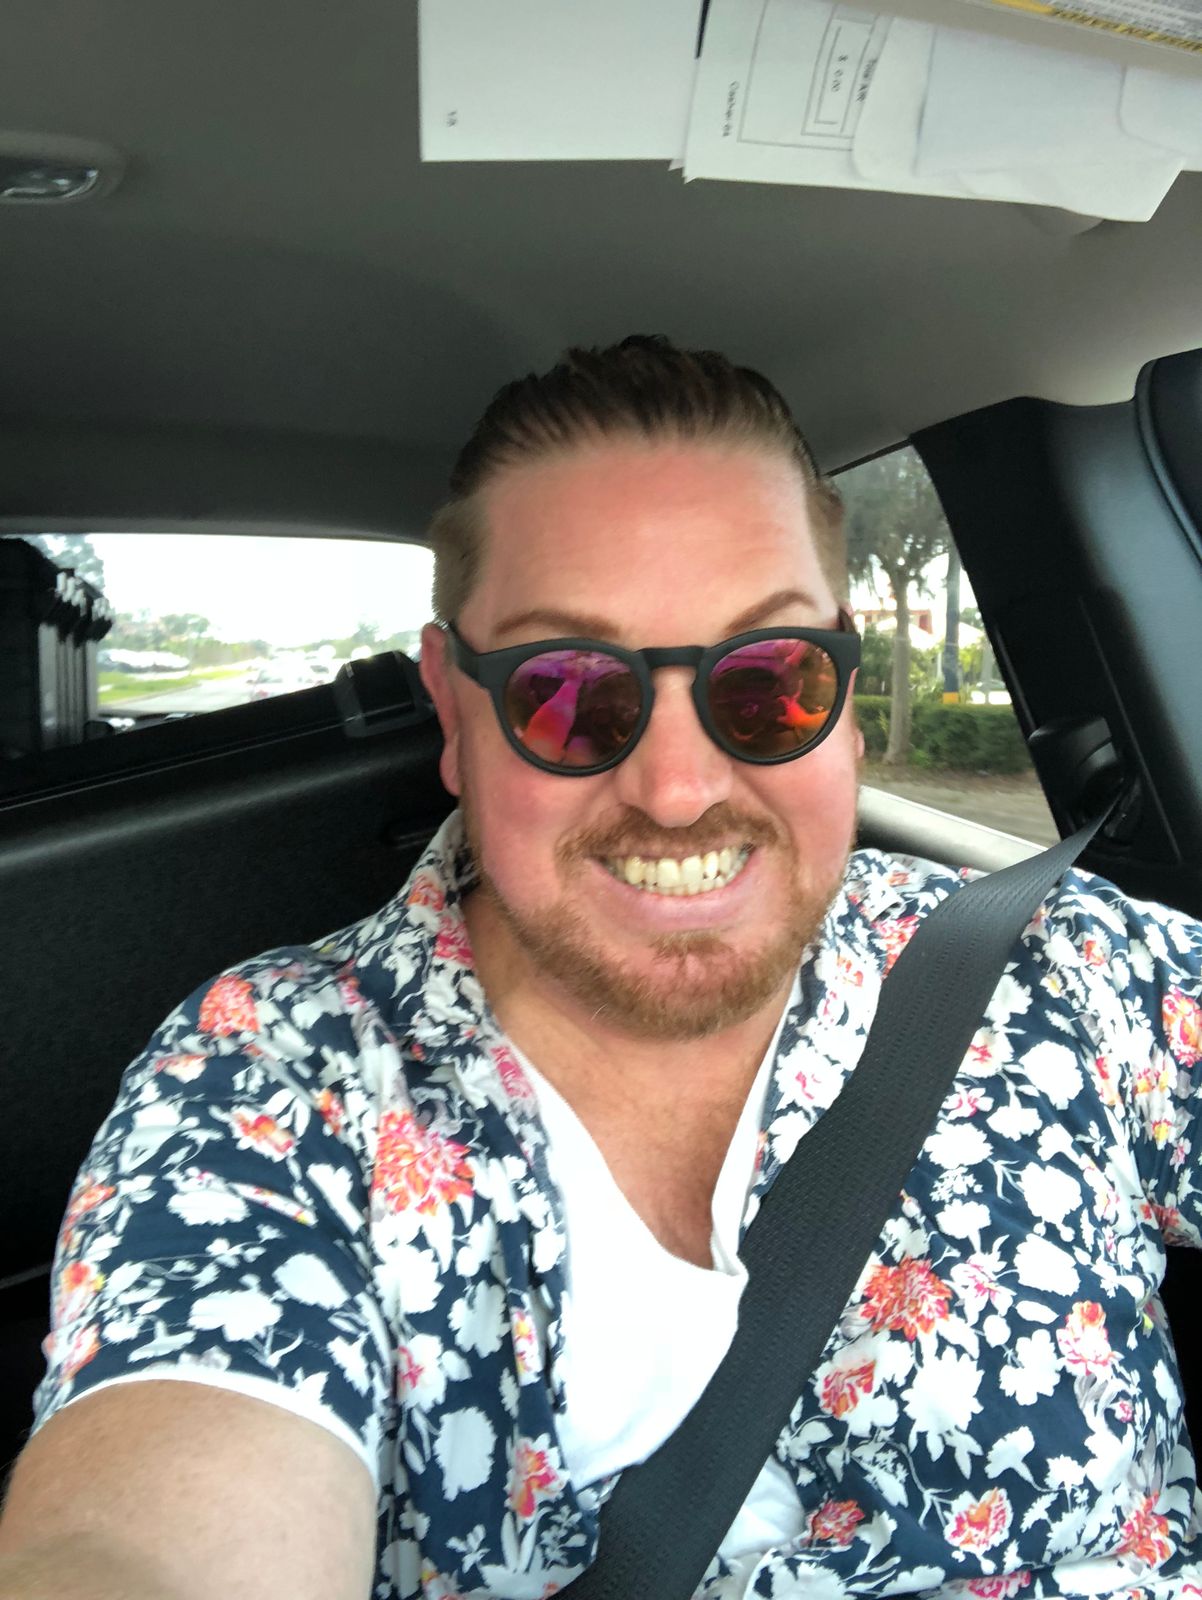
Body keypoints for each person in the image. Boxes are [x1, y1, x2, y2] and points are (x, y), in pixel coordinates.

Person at [1, 336, 1201, 1600]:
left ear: (842, 695)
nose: (677, 789)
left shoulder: (1057, 964)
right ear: (452, 709)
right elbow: (140, 1537)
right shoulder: (272, 1086)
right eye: (565, 690)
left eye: (767, 680)